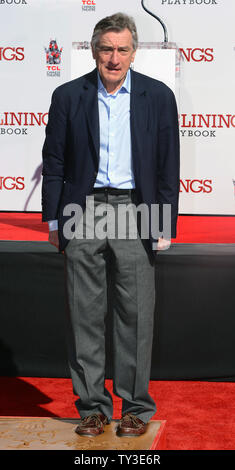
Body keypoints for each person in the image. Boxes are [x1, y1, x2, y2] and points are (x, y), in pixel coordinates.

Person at [42, 12, 179, 438]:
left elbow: (166, 164)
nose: (114, 58)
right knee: (83, 314)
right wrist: (53, 219)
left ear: (134, 52)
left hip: (136, 209)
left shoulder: (158, 96)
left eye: (122, 49)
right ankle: (93, 408)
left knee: (136, 313)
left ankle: (136, 408)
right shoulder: (68, 95)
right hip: (81, 210)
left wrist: (165, 220)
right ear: (94, 50)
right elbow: (56, 163)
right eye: (106, 49)